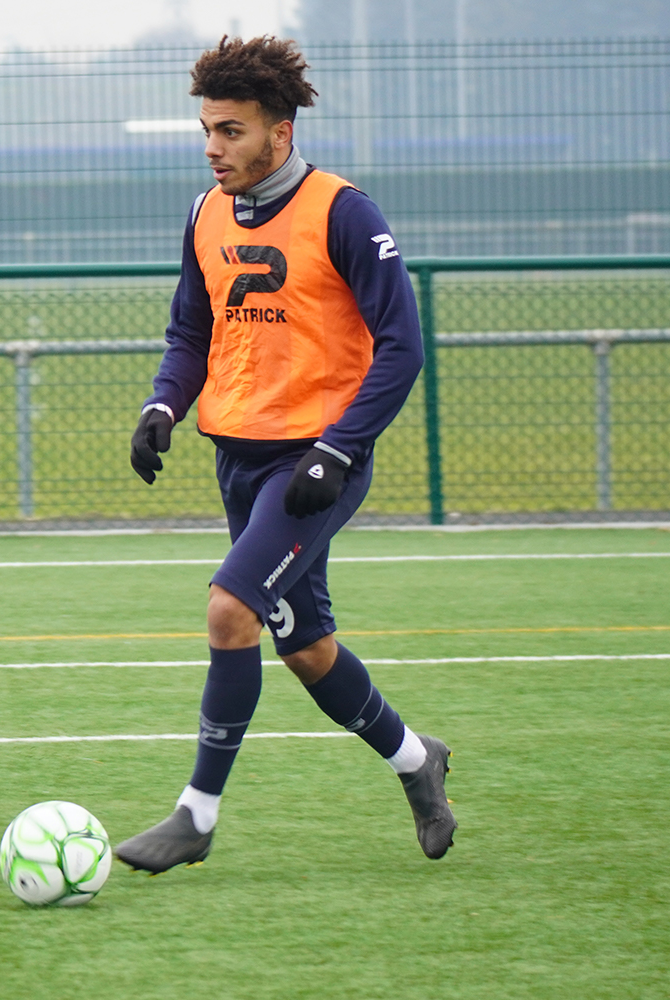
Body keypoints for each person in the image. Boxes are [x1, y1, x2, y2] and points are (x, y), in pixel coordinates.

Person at [116, 37, 456, 873]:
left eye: (231, 131)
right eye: (206, 129)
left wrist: (338, 450)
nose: (213, 147)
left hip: (312, 468)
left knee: (230, 608)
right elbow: (192, 333)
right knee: (305, 647)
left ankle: (195, 817)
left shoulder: (344, 212)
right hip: (237, 458)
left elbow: (401, 347)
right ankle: (419, 762)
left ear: (280, 131)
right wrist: (165, 402)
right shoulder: (203, 214)